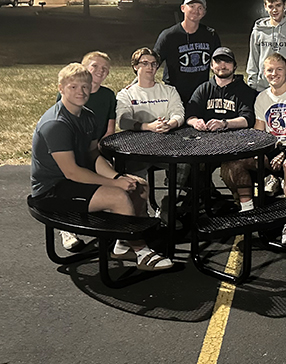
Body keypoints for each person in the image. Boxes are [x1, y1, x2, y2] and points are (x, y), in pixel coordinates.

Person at [30, 63, 172, 271]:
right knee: (118, 197)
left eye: (85, 87)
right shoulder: (56, 124)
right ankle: (141, 252)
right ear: (61, 88)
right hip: (52, 190)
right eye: (73, 87)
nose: (81, 92)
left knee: (138, 185)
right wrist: (114, 186)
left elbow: (93, 155)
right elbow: (72, 172)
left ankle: (123, 244)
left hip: (75, 181)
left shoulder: (87, 115)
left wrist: (117, 178)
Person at [228, 53, 286, 245]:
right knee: (236, 163)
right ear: (264, 73)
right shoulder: (262, 98)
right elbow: (259, 131)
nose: (274, 73)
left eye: (279, 69)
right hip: (273, 148)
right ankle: (249, 213)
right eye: (270, 70)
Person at [116, 47, 187, 226]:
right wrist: (149, 127)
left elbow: (179, 113)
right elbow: (123, 120)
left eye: (154, 64)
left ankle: (167, 206)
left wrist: (169, 125)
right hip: (138, 150)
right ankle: (140, 214)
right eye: (145, 63)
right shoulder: (126, 94)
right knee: (134, 176)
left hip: (167, 147)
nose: (150, 67)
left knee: (185, 164)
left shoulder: (169, 91)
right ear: (135, 67)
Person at [56, 51, 117, 251]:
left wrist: (98, 152)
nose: (100, 71)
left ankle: (113, 223)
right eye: (95, 66)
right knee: (72, 176)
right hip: (72, 151)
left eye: (104, 69)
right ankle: (66, 225)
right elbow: (63, 126)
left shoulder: (107, 96)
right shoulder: (70, 97)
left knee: (117, 180)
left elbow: (109, 130)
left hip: (95, 148)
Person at [186, 46, 257, 211]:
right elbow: (190, 114)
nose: (222, 66)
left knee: (232, 169)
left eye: (227, 62)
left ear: (234, 66)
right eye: (218, 62)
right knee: (193, 166)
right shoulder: (204, 88)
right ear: (211, 65)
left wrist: (225, 123)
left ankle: (245, 208)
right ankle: (201, 203)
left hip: (235, 145)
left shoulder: (244, 91)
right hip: (206, 145)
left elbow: (247, 119)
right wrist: (195, 122)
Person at [153, 0, 221, 106]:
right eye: (192, 6)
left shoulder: (210, 35)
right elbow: (153, 61)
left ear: (204, 12)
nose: (196, 10)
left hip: (201, 92)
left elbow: (219, 62)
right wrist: (138, 83)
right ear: (183, 8)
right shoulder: (169, 36)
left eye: (200, 8)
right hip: (175, 92)